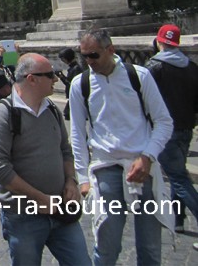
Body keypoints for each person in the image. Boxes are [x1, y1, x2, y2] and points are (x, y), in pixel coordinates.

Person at [70, 29, 174, 265]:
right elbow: (77, 132)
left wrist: (147, 156)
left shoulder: (140, 76)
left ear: (111, 50)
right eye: (84, 56)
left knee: (150, 247)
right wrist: (82, 177)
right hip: (105, 166)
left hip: (143, 165)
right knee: (106, 245)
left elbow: (164, 121)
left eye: (94, 55)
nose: (89, 61)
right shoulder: (80, 84)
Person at [0, 53, 91, 266]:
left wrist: (71, 181)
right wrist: (40, 198)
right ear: (31, 79)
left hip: (61, 209)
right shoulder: (3, 114)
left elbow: (65, 149)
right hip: (23, 215)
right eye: (50, 75)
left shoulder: (51, 109)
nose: (56, 79)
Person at [145, 24, 198, 235]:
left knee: (178, 177)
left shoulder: (153, 67)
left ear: (159, 42)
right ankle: (178, 219)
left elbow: (144, 99)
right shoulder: (191, 66)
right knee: (178, 172)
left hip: (165, 130)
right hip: (187, 127)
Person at [54, 47, 83, 120]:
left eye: (63, 59)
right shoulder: (73, 68)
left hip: (75, 95)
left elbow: (72, 84)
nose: (62, 61)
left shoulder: (76, 69)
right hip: (72, 95)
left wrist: (61, 77)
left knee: (68, 114)